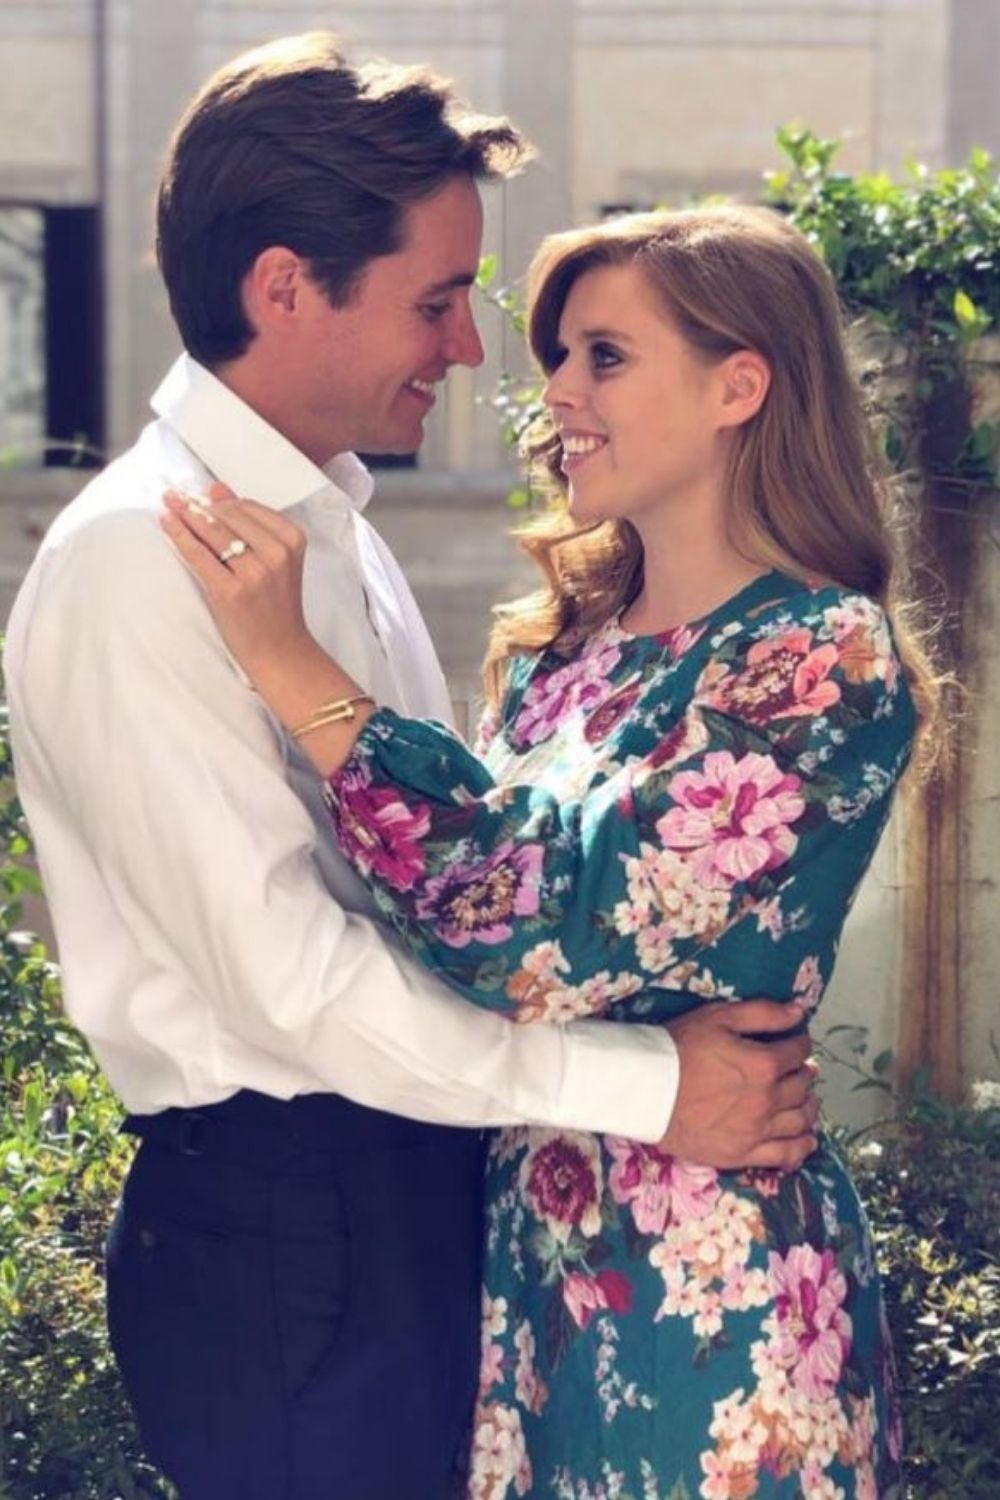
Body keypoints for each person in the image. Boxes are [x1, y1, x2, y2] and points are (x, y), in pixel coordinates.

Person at [2, 36, 818, 1500]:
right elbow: (298, 990)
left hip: (395, 1197)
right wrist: (649, 1091)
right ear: (283, 287)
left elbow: (457, 889)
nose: (467, 347)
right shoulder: (140, 559)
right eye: (436, 301)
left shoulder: (338, 531)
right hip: (285, 1237)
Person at [163, 202, 941, 1499]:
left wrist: (289, 663)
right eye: (558, 356)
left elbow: (533, 932)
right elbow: (430, 920)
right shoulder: (551, 661)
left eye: (605, 356)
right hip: (524, 1280)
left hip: (714, 1296)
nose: (556, 390)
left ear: (738, 385)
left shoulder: (818, 658)